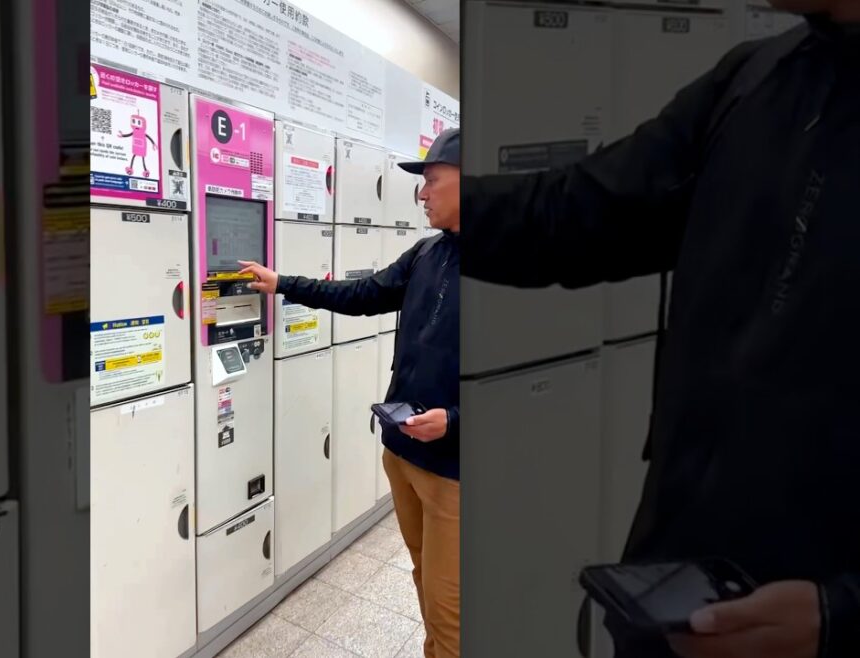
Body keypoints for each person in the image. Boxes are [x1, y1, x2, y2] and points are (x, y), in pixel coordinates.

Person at [462, 4, 860, 657]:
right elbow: (585, 212)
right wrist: (459, 213)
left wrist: (840, 617)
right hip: (676, 596)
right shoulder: (757, 76)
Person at [240, 128, 462, 658]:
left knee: (452, 606)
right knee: (426, 586)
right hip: (403, 455)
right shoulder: (426, 254)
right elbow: (363, 295)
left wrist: (456, 420)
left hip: (454, 471)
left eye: (431, 180)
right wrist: (284, 283)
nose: (422, 194)